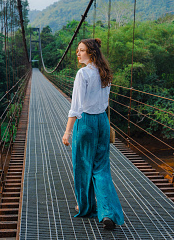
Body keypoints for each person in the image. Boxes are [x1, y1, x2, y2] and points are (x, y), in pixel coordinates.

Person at [62, 38, 124, 230]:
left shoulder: (83, 74)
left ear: (91, 53)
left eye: (81, 50)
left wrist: (67, 131)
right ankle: (107, 213)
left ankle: (86, 207)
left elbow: (76, 106)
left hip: (86, 122)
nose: (77, 54)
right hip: (102, 122)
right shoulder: (105, 73)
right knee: (101, 168)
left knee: (82, 166)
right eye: (77, 50)